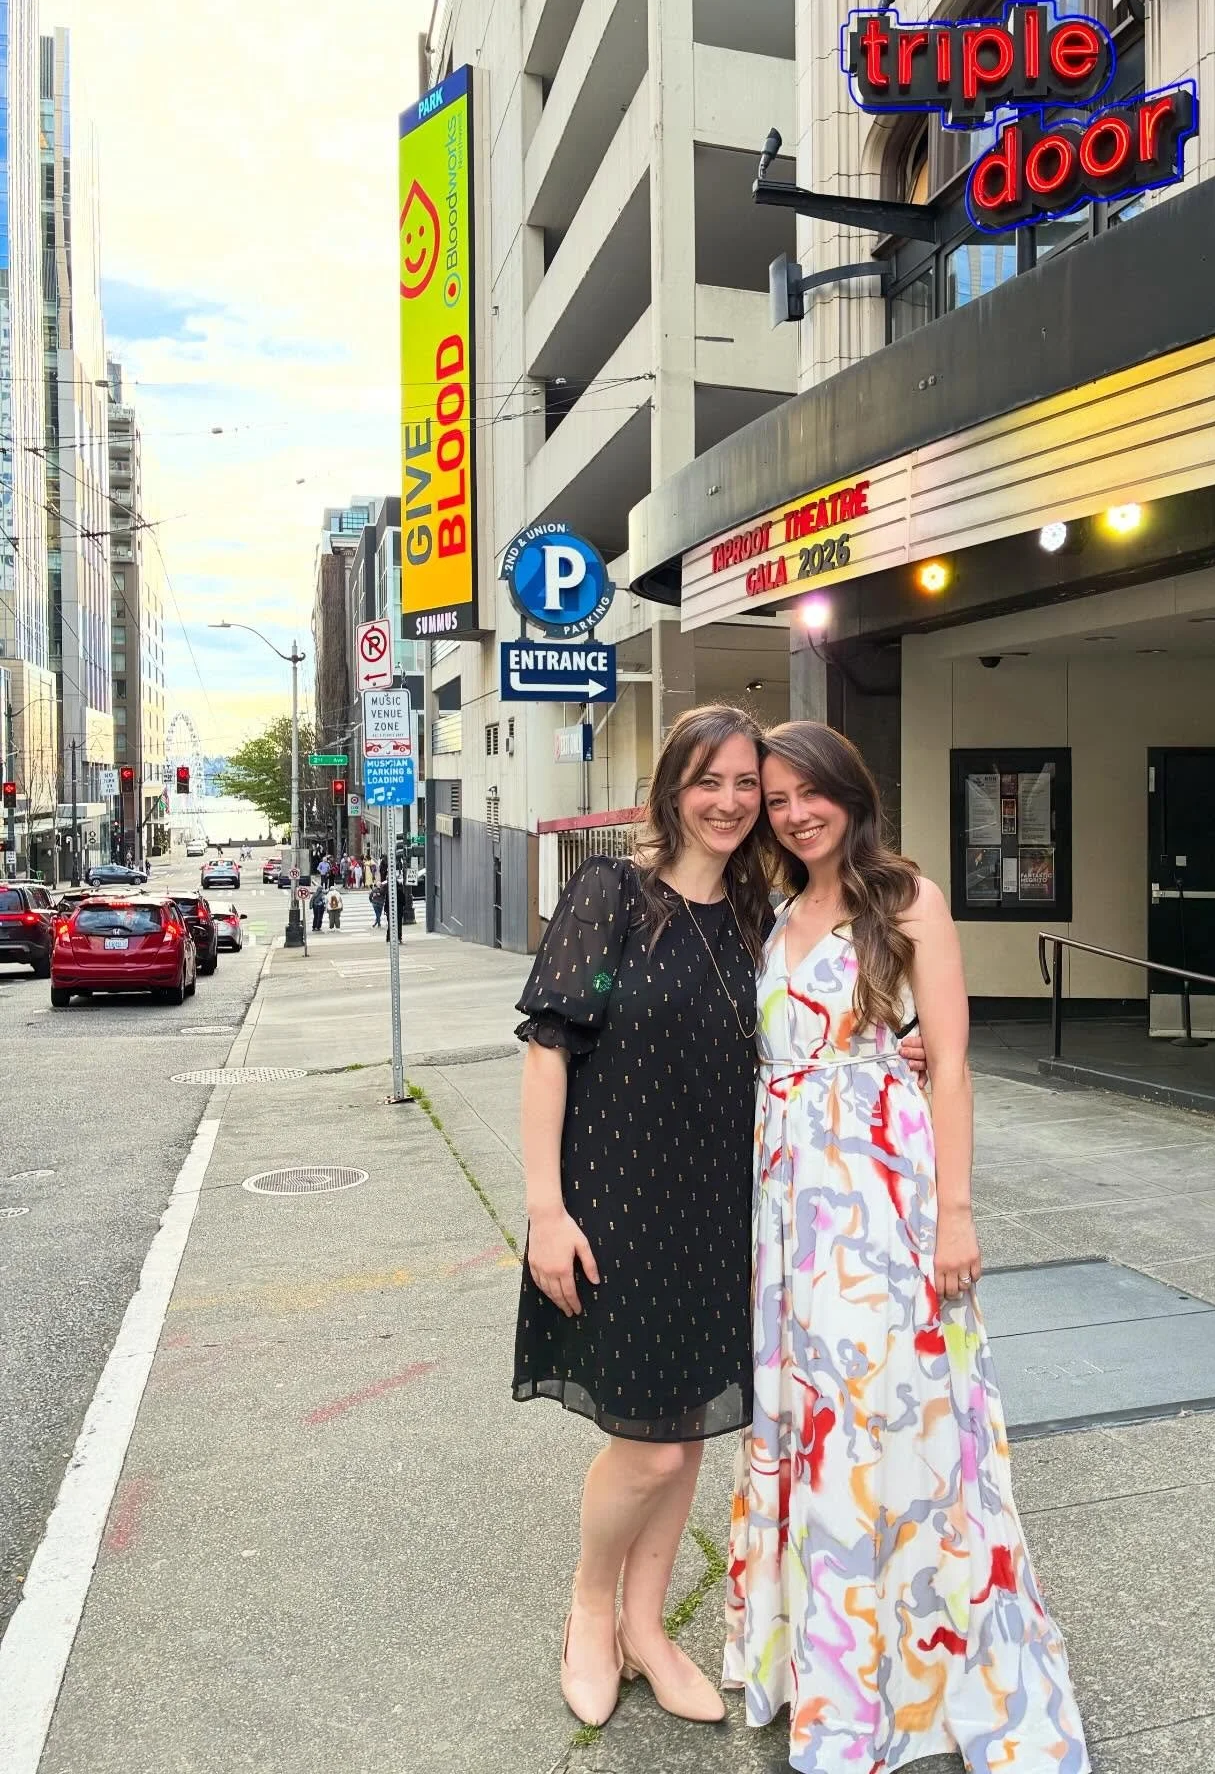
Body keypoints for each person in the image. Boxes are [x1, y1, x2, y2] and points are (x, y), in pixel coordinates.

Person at [725, 722, 1090, 1774]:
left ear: (850, 792)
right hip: (784, 1205)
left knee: (898, 1416)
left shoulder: (908, 898)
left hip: (882, 1200)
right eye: (777, 798)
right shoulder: (772, 910)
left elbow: (955, 1066)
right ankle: (820, 1660)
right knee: (805, 1421)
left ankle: (921, 1667)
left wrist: (958, 1214)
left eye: (810, 794)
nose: (795, 813)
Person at [514, 704, 774, 1731]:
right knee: (650, 1444)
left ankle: (649, 1627)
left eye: (746, 784)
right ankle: (588, 1611)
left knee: (692, 1426)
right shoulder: (613, 895)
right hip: (614, 1204)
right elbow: (548, 1051)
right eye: (709, 780)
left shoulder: (760, 915)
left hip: (720, 1210)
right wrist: (545, 1210)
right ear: (672, 786)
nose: (728, 802)